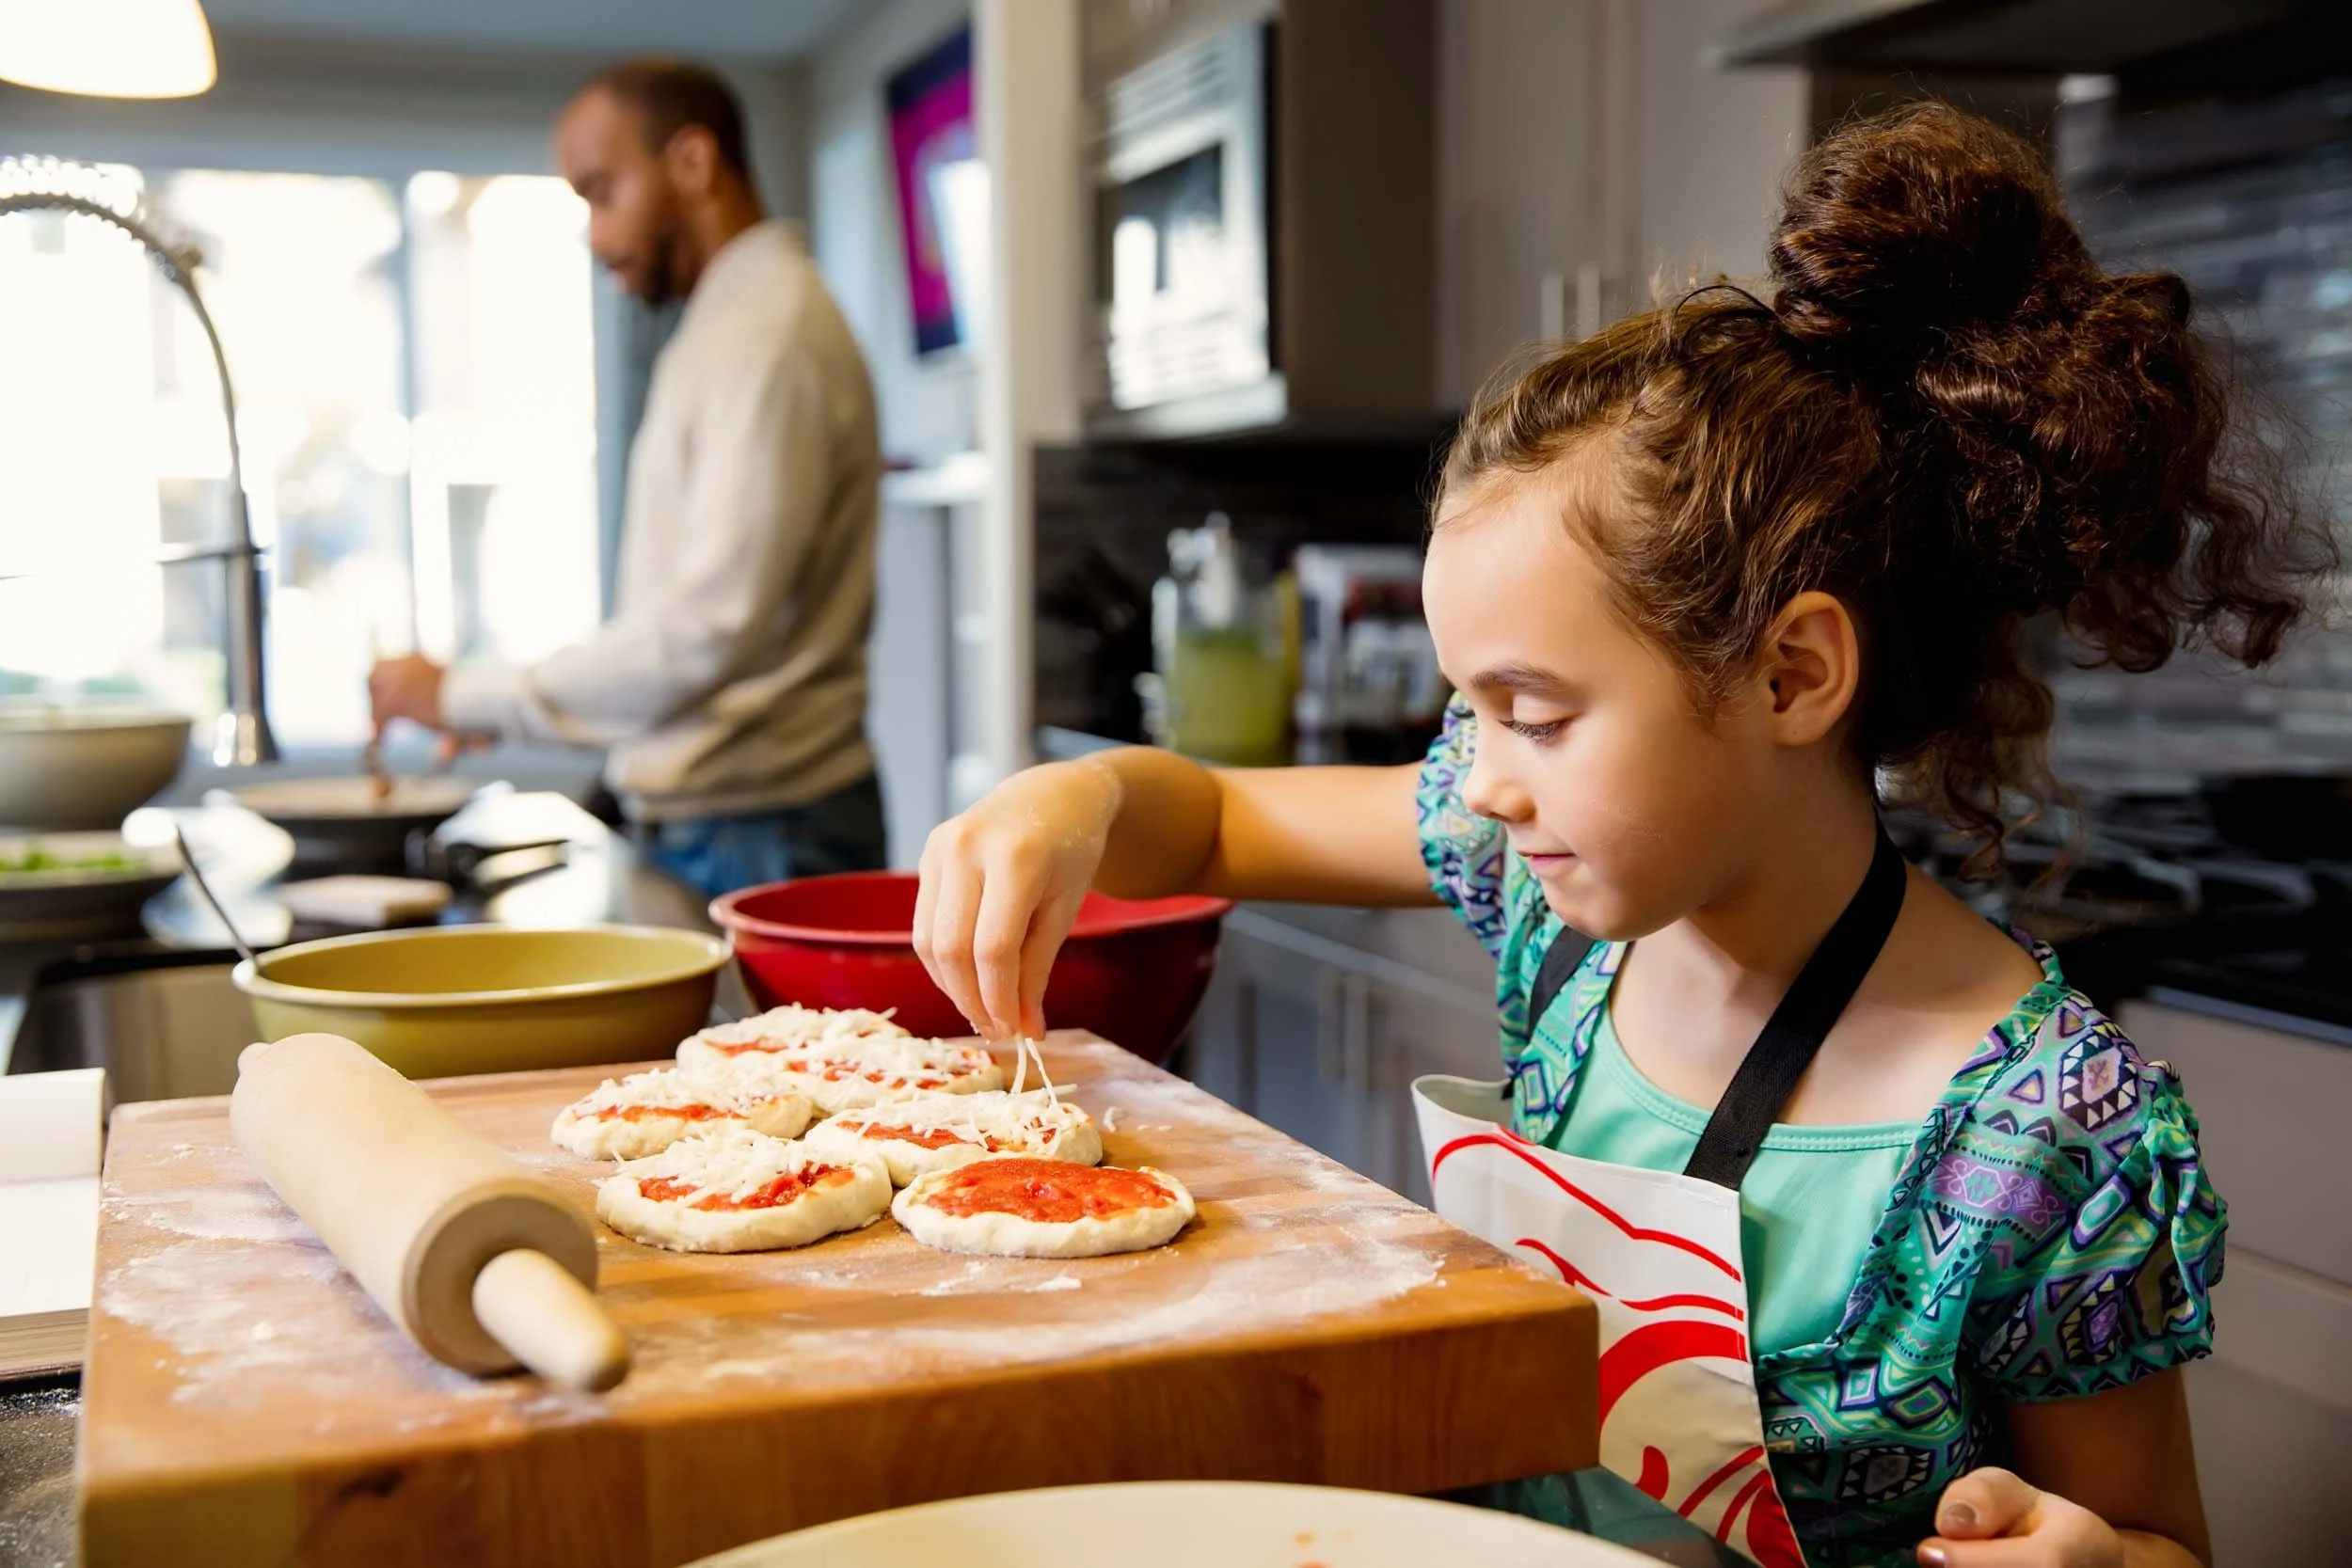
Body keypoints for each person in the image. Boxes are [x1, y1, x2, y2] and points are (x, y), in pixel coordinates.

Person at [911, 103, 2331, 1568]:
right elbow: (1208, 814)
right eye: (1470, 710)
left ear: (1791, 675)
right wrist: (1072, 797)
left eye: (1530, 712)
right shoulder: (1563, 911)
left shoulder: (2047, 1137)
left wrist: (2091, 1554)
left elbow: (2162, 1539)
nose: (1478, 784)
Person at [370, 58, 887, 898]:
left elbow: (706, 628)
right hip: (733, 823)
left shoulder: (769, 332)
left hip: (763, 833)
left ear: (692, 162)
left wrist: (465, 693)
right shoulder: (729, 325)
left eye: (601, 191)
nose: (592, 231)